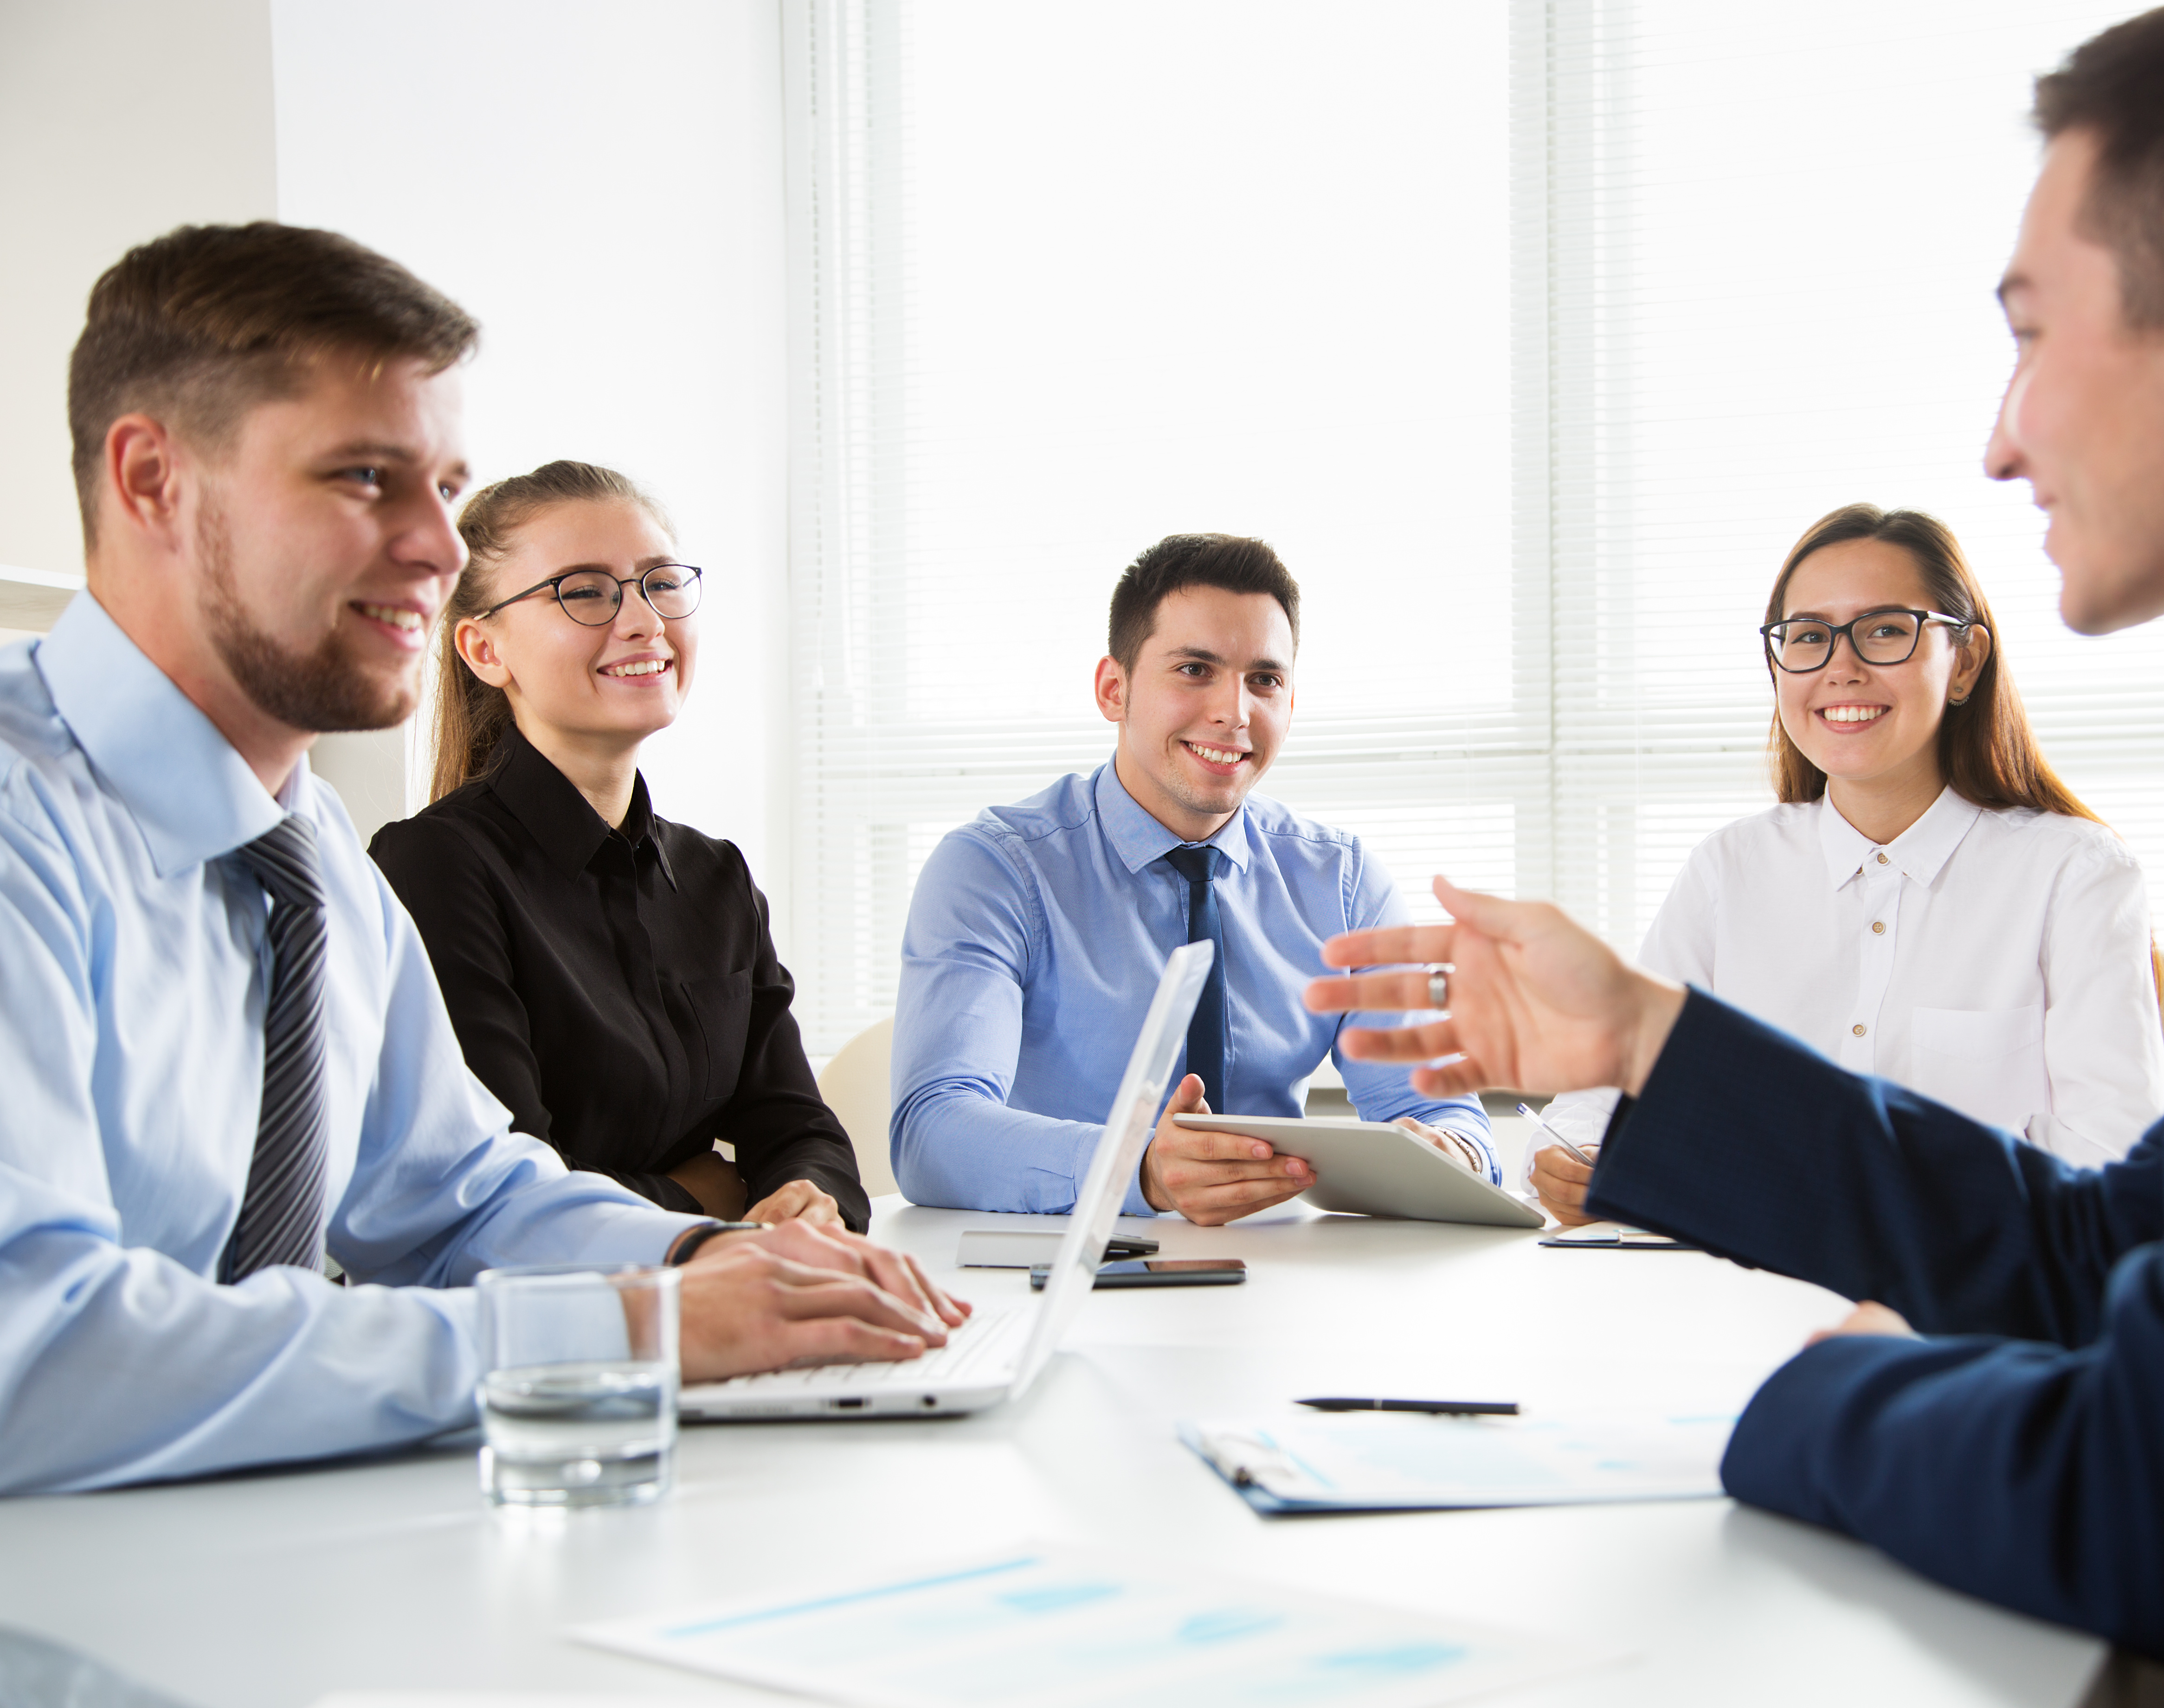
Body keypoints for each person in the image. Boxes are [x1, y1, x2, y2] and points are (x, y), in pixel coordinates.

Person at [1307, 2, 2164, 1708]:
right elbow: (2108, 1249)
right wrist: (1648, 1035)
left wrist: (1808, 1394)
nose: (2005, 441)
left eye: (2034, 337)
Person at [0, 223, 965, 1497]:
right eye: (362, 478)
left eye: (443, 488)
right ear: (152, 480)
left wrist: (701, 1266)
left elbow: (451, 1195)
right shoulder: (31, 823)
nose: (440, 550)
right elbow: (39, 1359)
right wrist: (630, 1331)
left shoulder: (312, 857)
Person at [1530, 503, 2164, 1221]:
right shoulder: (1729, 870)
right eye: (1807, 638)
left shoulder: (2074, 874)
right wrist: (1583, 1166)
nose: (1841, 668)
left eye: (1886, 631)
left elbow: (2113, 1162)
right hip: (1724, 1300)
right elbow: (1593, 1107)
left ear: (1966, 662)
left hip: (1967, 1312)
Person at [890, 533, 1499, 1225]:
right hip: (1063, 1262)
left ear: (1291, 704)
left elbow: (1441, 1111)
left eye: (1264, 680)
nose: (1234, 712)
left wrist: (1454, 1152)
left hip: (1282, 1275)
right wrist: (1140, 1168)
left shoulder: (1341, 882)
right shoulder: (995, 870)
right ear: (1113, 690)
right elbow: (933, 1132)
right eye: (1194, 669)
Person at [368, 461, 863, 1232]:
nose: (644, 621)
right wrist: (706, 1198)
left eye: (660, 583)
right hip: (548, 1330)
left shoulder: (715, 878)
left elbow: (803, 1132)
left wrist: (806, 1200)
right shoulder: (432, 870)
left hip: (726, 1306)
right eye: (587, 591)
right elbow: (504, 1190)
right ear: (484, 651)